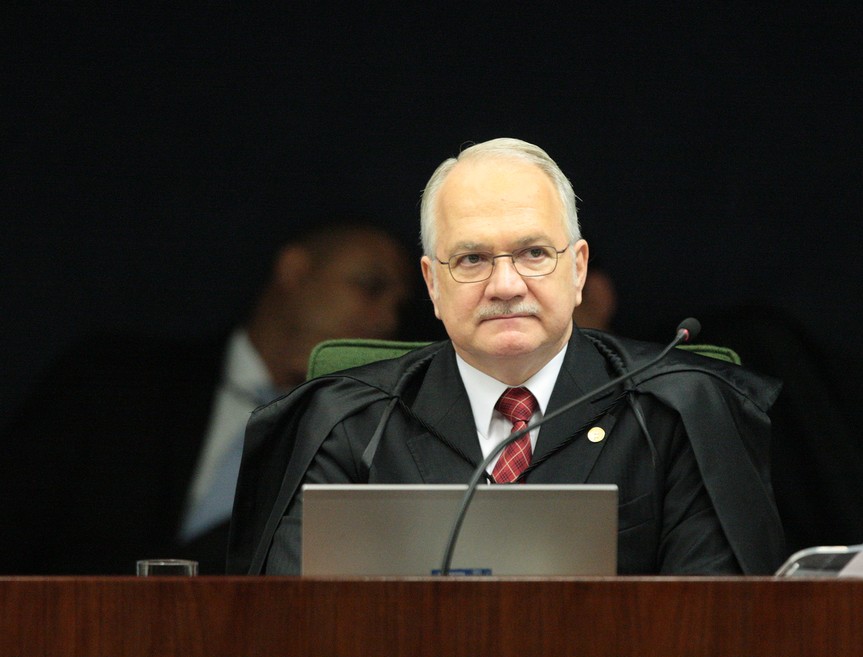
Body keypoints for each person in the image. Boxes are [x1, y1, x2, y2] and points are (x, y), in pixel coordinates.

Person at [228, 139, 785, 575]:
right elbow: (292, 626)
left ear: (579, 270)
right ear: (431, 284)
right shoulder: (343, 424)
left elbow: (715, 628)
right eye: (471, 258)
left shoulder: (679, 412)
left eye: (534, 253)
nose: (505, 285)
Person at [0, 223, 413, 574]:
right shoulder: (114, 380)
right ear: (295, 270)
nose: (387, 319)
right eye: (371, 287)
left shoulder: (369, 436)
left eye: (399, 304)